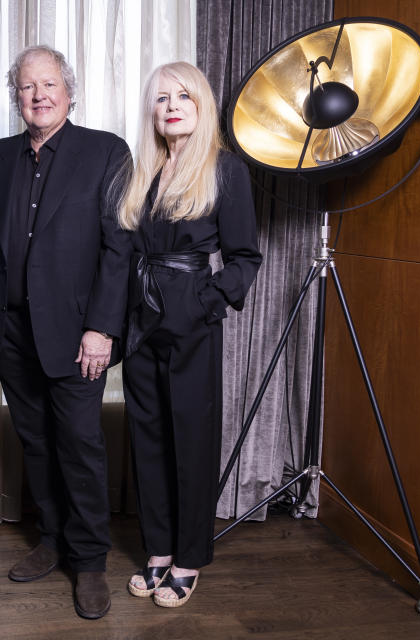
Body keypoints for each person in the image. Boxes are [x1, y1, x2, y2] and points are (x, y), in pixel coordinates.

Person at [0, 45, 132, 619]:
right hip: (11, 328)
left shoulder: (106, 152)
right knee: (36, 442)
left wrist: (101, 328)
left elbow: (120, 247)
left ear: (69, 90)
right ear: (15, 96)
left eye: (48, 84)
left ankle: (89, 560)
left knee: (80, 444)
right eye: (26, 86)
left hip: (75, 333)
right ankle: (53, 538)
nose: (38, 95)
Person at [119, 61, 262, 608]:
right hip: (141, 321)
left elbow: (245, 257)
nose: (171, 106)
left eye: (183, 96)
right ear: (151, 113)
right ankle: (158, 549)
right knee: (148, 439)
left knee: (192, 444)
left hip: (190, 321)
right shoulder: (145, 171)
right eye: (160, 99)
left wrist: (206, 300)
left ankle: (188, 557)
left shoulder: (225, 170)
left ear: (200, 105)